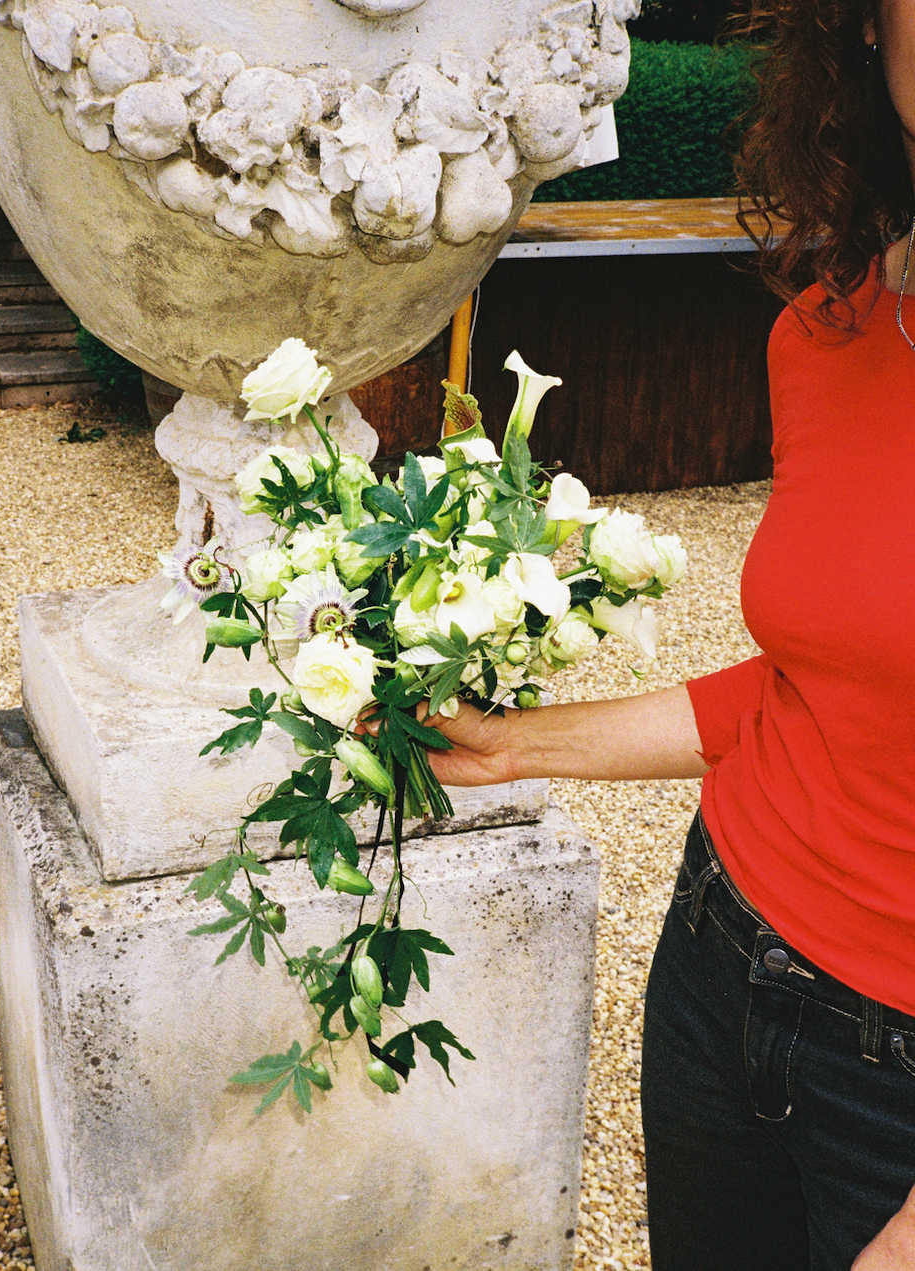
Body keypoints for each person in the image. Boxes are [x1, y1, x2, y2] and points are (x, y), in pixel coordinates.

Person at [383, 2, 915, 1267]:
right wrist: (518, 748)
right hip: (723, 957)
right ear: (869, 28)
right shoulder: (829, 332)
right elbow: (828, 687)